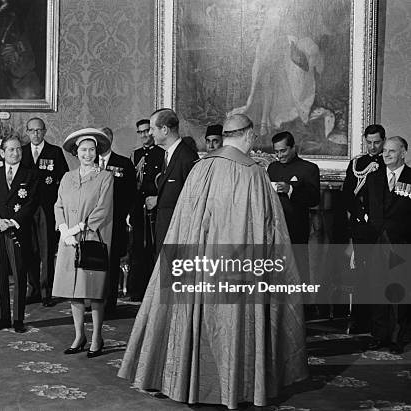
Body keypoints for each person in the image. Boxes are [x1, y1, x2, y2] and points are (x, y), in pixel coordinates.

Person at [118, 114, 308, 408]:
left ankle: (181, 381)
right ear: (249, 135)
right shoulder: (254, 173)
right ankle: (237, 386)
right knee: (233, 324)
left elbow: (183, 221)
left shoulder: (200, 168)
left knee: (191, 318)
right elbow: (271, 229)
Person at [53, 128, 113, 358]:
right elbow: (58, 205)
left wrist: (79, 228)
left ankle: (97, 336)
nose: (87, 154)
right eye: (83, 150)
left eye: (91, 150)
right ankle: (79, 335)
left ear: (97, 152)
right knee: (74, 291)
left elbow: (103, 210)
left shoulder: (105, 177)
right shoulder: (68, 177)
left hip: (91, 239)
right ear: (76, 153)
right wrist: (64, 230)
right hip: (69, 241)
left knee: (94, 292)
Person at [0, 135, 38, 333]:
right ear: (3, 152)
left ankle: (18, 319)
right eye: (11, 150)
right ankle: (3, 317)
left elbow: (31, 203)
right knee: (1, 278)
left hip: (17, 231)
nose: (16, 153)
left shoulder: (30, 175)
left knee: (20, 276)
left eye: (18, 150)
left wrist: (12, 222)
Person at [364, 136, 411, 354]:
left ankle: (399, 337)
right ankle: (379, 335)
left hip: (401, 242)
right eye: (385, 151)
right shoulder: (373, 178)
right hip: (376, 242)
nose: (386, 154)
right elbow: (371, 209)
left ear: (404, 152)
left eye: (392, 151)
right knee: (377, 290)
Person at [341, 124, 385, 334]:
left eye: (376, 142)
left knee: (381, 273)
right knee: (361, 272)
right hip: (361, 226)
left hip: (382, 227)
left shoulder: (388, 162)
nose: (373, 146)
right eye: (369, 142)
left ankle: (381, 321)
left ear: (383, 141)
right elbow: (348, 195)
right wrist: (358, 217)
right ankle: (360, 319)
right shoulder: (357, 163)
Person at [20, 117, 69, 306]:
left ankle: (47, 291)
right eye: (32, 130)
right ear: (27, 132)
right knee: (28, 249)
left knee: (47, 250)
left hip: (47, 208)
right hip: (25, 209)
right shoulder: (21, 152)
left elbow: (63, 180)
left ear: (45, 131)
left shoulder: (54, 152)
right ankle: (33, 289)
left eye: (39, 130)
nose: (35, 134)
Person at [267, 131, 320, 282]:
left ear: (293, 148)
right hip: (274, 229)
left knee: (299, 270)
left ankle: (303, 305)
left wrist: (291, 190)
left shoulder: (309, 168)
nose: (279, 155)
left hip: (296, 229)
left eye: (283, 151)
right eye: (276, 152)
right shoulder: (272, 168)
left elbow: (314, 199)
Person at [144, 108, 198, 253]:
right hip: (165, 233)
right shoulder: (168, 155)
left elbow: (192, 202)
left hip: (178, 238)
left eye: (152, 128)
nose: (150, 133)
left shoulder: (187, 157)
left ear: (165, 130)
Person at [98, 127, 136, 315]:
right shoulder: (89, 162)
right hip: (94, 224)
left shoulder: (123, 163)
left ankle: (109, 303)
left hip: (115, 222)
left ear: (111, 140)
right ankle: (93, 300)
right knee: (94, 263)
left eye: (106, 138)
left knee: (112, 264)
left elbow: (131, 194)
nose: (102, 142)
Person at [128, 119, 165, 301]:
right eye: (140, 132)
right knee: (137, 248)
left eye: (146, 131)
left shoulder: (163, 154)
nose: (144, 135)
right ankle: (136, 291)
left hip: (155, 207)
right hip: (137, 207)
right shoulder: (134, 155)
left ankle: (153, 292)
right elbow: (131, 184)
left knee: (152, 247)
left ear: (152, 132)